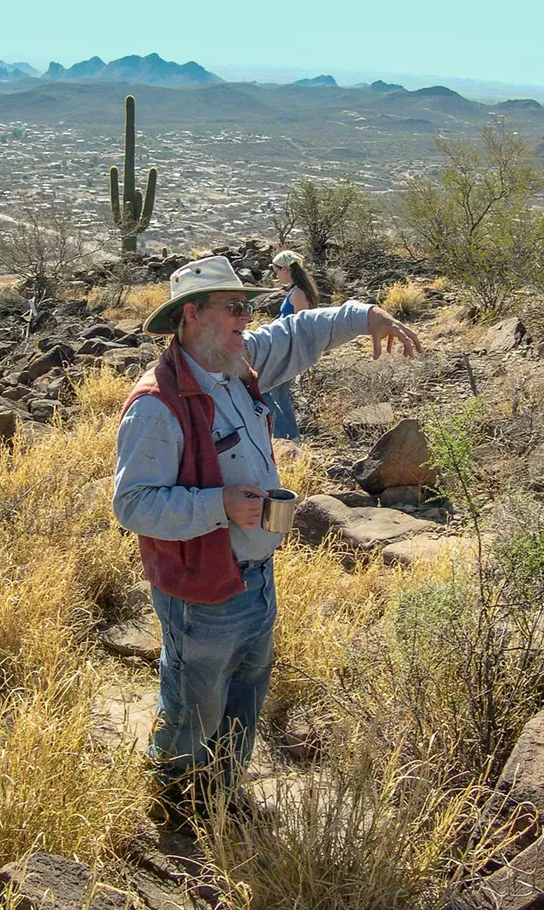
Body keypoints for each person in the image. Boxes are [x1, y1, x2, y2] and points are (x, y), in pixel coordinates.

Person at [112, 255, 420, 812]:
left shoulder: (240, 362)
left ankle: (221, 794)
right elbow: (133, 505)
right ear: (191, 316)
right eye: (233, 307)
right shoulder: (156, 407)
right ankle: (176, 810)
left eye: (248, 306)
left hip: (255, 577)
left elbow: (300, 331)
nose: (245, 317)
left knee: (245, 696)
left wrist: (363, 315)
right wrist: (220, 505)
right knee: (194, 707)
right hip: (202, 592)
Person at [265, 250, 319, 441]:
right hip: (287, 349)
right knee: (281, 394)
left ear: (285, 269)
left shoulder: (297, 294)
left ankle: (284, 436)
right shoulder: (298, 291)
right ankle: (292, 437)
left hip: (288, 351)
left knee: (264, 391)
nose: (276, 275)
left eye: (276, 270)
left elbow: (301, 326)